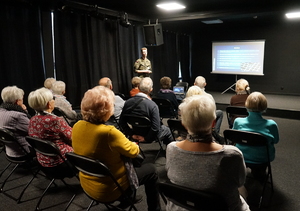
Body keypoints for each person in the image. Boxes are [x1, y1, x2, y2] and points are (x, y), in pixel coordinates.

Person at [71, 86, 161, 211]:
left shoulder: (76, 126)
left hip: (87, 185)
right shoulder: (109, 132)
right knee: (151, 170)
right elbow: (134, 152)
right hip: (109, 189)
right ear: (107, 110)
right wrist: (134, 144)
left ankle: (126, 199)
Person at [166, 95, 250, 211]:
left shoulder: (171, 148)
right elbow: (240, 181)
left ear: (184, 124)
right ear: (213, 123)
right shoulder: (232, 154)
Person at [233, 92, 279, 181]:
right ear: (264, 106)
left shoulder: (238, 121)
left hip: (241, 156)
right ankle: (259, 174)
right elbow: (276, 141)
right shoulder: (271, 124)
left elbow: (234, 138)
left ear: (247, 104)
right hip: (262, 158)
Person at [28, 87, 73, 174]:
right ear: (49, 104)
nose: (54, 100)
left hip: (42, 163)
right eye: (53, 99)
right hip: (61, 165)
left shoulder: (32, 119)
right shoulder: (55, 120)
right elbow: (73, 137)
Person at [120, 77, 173, 145]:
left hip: (136, 132)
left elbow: (121, 122)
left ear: (138, 87)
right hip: (149, 136)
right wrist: (146, 139)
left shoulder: (128, 102)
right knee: (167, 130)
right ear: (151, 90)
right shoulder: (152, 105)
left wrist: (131, 134)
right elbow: (155, 128)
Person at [0, 86, 34, 159]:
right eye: (22, 99)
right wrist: (25, 111)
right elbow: (33, 131)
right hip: (23, 152)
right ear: (17, 101)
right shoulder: (18, 116)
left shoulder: (1, 111)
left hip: (9, 151)